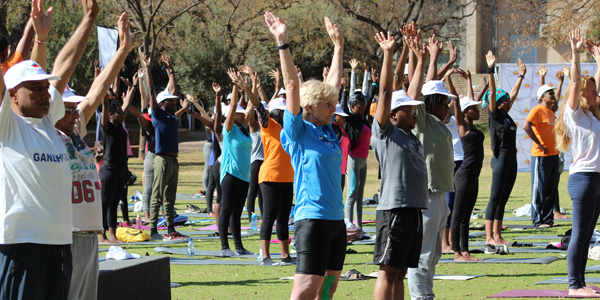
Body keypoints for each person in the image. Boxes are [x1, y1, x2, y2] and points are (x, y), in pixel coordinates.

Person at [0, 0, 98, 297]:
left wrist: (89, 20)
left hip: (60, 249)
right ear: (13, 95)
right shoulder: (7, 127)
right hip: (20, 250)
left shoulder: (48, 124)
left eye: (47, 88)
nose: (47, 94)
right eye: (37, 89)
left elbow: (65, 65)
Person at [265, 11, 346, 299]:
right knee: (305, 292)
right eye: (327, 104)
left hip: (337, 221)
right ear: (309, 106)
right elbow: (291, 86)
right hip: (312, 220)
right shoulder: (298, 132)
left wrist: (338, 48)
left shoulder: (327, 130)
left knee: (328, 289)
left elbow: (332, 88)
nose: (333, 107)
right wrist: (282, 41)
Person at [56, 12, 132, 298]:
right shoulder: (47, 134)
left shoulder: (76, 129)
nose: (75, 110)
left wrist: (123, 50)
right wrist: (88, 23)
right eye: (67, 106)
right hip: (66, 235)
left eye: (75, 106)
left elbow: (96, 93)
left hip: (89, 235)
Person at [371, 31, 428, 300]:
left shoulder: (409, 134)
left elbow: (413, 93)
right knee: (388, 271)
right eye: (408, 109)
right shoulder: (386, 132)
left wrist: (422, 59)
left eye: (415, 109)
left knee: (401, 271)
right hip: (394, 209)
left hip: (413, 209)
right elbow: (385, 92)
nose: (414, 111)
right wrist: (389, 53)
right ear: (392, 114)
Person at [405, 28, 454, 299]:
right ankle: (420, 297)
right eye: (445, 102)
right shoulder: (422, 119)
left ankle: (428, 295)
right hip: (426, 194)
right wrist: (429, 58)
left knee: (434, 254)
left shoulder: (438, 123)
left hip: (440, 195)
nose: (449, 107)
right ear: (433, 103)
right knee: (423, 254)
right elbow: (421, 91)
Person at [554, 30, 600, 297]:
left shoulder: (593, 117)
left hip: (595, 178)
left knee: (588, 234)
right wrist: (576, 53)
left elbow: (593, 85)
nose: (596, 93)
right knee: (580, 234)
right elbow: (574, 82)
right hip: (582, 179)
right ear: (581, 94)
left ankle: (581, 282)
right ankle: (574, 285)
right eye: (592, 90)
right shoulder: (575, 116)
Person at [142, 54, 191, 241]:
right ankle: (154, 230)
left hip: (173, 160)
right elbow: (153, 91)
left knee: (170, 197)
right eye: (171, 100)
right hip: (161, 159)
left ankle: (170, 228)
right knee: (157, 195)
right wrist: (148, 68)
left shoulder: (171, 116)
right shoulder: (158, 114)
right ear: (163, 103)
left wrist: (171, 70)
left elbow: (173, 88)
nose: (175, 100)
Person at [483, 51, 526, 246]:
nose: (508, 102)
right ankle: (489, 237)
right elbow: (492, 92)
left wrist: (521, 76)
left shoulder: (507, 115)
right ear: (497, 103)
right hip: (500, 158)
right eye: (504, 101)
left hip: (511, 158)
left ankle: (498, 235)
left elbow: (514, 94)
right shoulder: (494, 115)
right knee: (495, 197)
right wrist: (491, 69)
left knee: (503, 198)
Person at [446, 68, 485, 261]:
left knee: (467, 214)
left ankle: (466, 252)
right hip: (463, 173)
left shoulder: (473, 126)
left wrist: (479, 83)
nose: (478, 111)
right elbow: (456, 100)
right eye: (475, 109)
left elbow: (470, 99)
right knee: (458, 213)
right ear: (465, 112)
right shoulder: (462, 125)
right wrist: (448, 78)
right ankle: (456, 252)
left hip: (474, 175)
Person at [98, 74, 137, 244]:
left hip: (121, 171)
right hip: (109, 171)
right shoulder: (107, 127)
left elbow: (127, 103)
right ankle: (101, 235)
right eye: (120, 112)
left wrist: (134, 85)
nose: (123, 113)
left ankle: (112, 235)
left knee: (114, 204)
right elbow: (105, 105)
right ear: (112, 114)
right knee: (104, 204)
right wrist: (104, 95)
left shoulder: (121, 128)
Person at [219, 69, 253, 256]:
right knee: (227, 210)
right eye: (240, 113)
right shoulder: (229, 129)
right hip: (230, 174)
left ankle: (239, 247)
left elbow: (252, 107)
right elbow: (232, 107)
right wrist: (234, 85)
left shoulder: (243, 128)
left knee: (237, 213)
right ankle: (225, 247)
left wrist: (250, 86)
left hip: (243, 176)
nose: (242, 114)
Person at [523, 81, 560, 228]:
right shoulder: (537, 110)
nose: (553, 95)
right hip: (541, 155)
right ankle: (537, 221)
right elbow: (526, 126)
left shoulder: (550, 112)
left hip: (553, 154)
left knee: (551, 188)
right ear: (543, 97)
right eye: (550, 93)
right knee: (539, 188)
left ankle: (548, 219)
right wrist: (539, 144)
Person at [332, 104, 350, 189]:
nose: (344, 119)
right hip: (335, 169)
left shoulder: (341, 129)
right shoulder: (334, 129)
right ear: (334, 116)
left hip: (342, 169)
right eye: (341, 116)